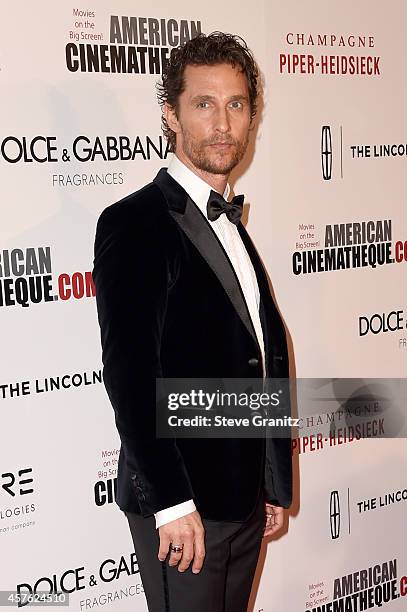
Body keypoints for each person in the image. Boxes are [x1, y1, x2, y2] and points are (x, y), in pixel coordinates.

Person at [93, 31, 292, 612]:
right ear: (171, 116)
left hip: (244, 496)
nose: (223, 123)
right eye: (203, 104)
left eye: (236, 104)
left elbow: (258, 355)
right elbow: (130, 374)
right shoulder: (135, 223)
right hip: (185, 509)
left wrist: (272, 478)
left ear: (252, 115)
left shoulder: (232, 223)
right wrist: (172, 504)